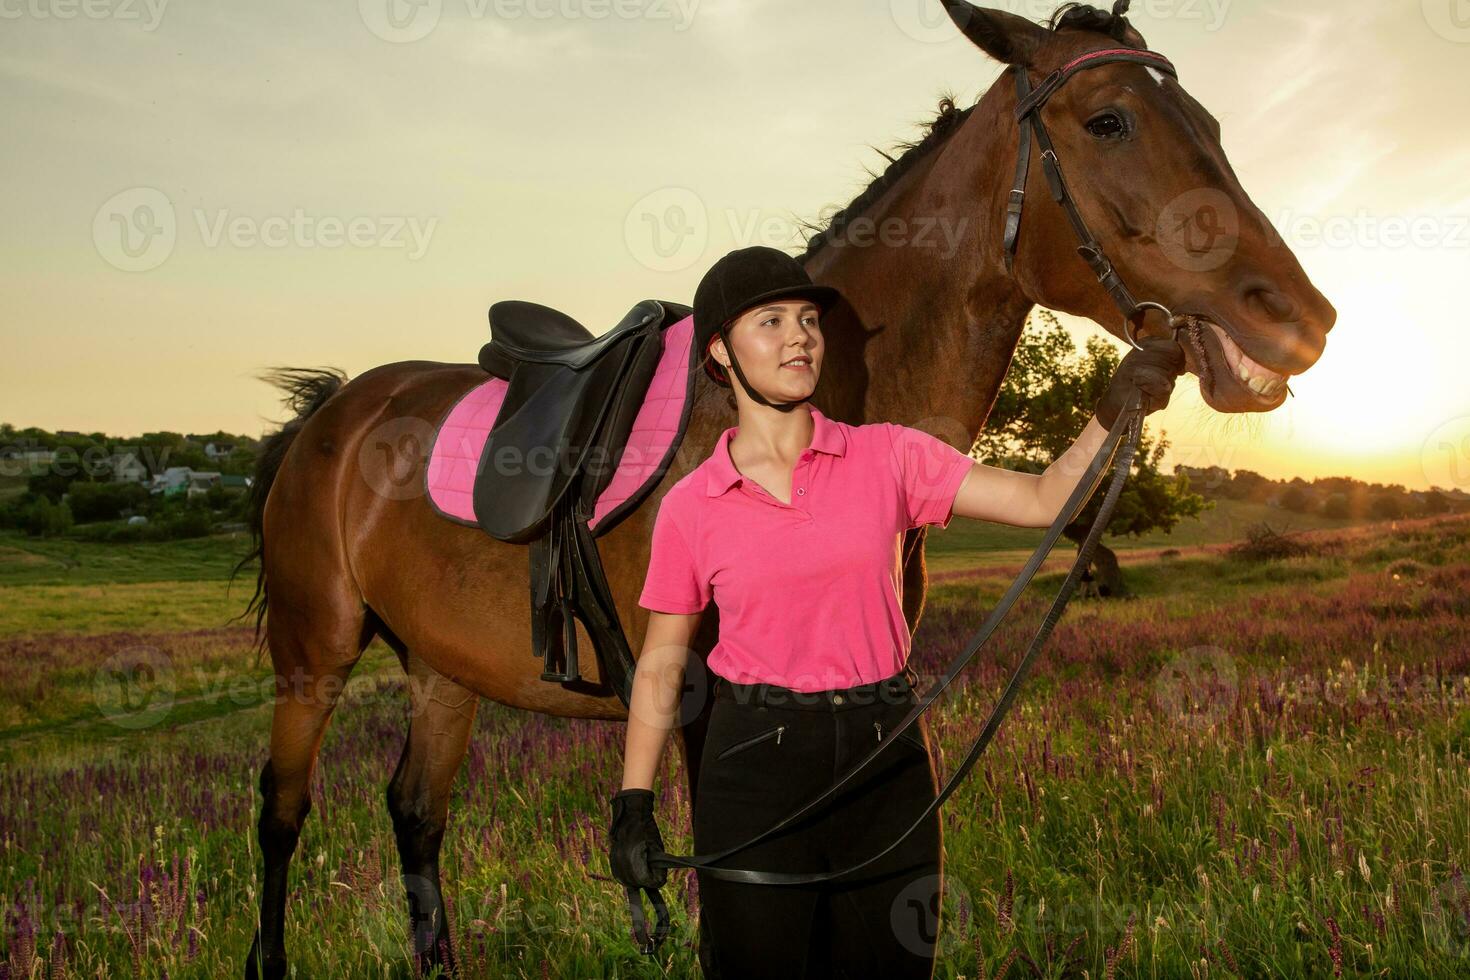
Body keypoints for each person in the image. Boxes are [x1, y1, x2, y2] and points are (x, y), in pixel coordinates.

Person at [608, 245, 1185, 978]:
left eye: (809, 320)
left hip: (887, 755)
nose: (800, 337)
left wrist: (1112, 409)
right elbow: (662, 663)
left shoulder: (891, 457)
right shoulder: (693, 504)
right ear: (720, 350)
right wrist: (633, 802)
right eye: (772, 321)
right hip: (752, 767)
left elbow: (1043, 503)